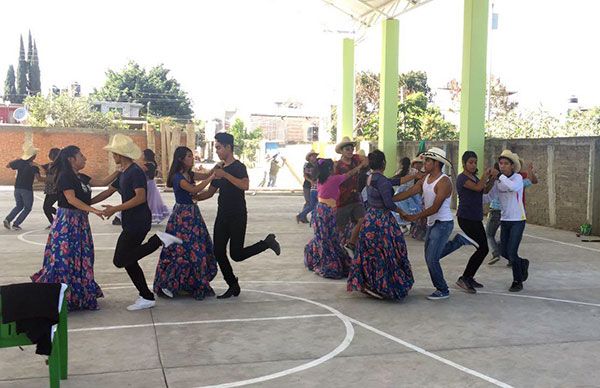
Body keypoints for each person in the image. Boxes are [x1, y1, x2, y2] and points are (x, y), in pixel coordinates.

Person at [92, 134, 183, 311]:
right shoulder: (124, 173)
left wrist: (115, 209)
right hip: (131, 221)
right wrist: (87, 204)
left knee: (120, 260)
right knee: (129, 261)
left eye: (114, 153)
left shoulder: (135, 172)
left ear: (119, 154)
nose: (112, 156)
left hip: (138, 221)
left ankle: (158, 240)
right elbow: (108, 191)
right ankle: (146, 296)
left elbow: (140, 198)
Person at [31, 145, 119, 311]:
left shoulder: (82, 177)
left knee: (81, 257)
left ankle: (79, 295)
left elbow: (102, 183)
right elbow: (71, 199)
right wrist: (93, 210)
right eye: (81, 155)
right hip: (67, 223)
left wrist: (119, 171)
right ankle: (62, 296)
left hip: (80, 222)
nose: (84, 158)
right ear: (71, 159)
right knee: (65, 258)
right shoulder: (65, 176)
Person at [196, 132, 281, 299]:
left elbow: (245, 185)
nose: (218, 151)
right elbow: (210, 193)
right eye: (216, 148)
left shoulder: (238, 167)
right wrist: (193, 198)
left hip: (238, 215)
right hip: (222, 215)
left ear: (228, 147)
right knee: (218, 251)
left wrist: (226, 175)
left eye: (219, 147)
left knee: (236, 254)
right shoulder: (219, 169)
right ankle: (232, 285)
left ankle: (267, 243)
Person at [153, 146, 218, 299]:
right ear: (181, 159)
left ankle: (191, 284)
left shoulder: (189, 174)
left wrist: (217, 168)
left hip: (193, 215)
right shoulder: (177, 177)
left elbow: (207, 175)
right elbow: (194, 190)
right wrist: (211, 178)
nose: (192, 158)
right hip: (182, 218)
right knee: (180, 251)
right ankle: (170, 284)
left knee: (195, 250)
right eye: (189, 156)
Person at [347, 150, 414, 300]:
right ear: (384, 163)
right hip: (382, 221)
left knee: (370, 252)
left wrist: (414, 176)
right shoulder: (381, 180)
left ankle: (369, 283)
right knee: (387, 253)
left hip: (369, 218)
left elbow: (393, 181)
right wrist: (402, 212)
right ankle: (382, 285)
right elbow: (389, 203)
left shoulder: (370, 177)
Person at [394, 147, 454, 300]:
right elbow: (409, 192)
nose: (424, 163)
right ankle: (459, 242)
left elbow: (435, 207)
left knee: (431, 259)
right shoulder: (424, 179)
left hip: (443, 223)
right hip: (432, 223)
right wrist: (389, 199)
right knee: (430, 256)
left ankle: (443, 289)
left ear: (436, 163)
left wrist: (414, 217)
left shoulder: (444, 181)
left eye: (428, 161)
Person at [435, 151, 495, 293]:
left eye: (475, 162)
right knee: (483, 248)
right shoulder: (462, 178)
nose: (473, 165)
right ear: (464, 163)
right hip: (466, 218)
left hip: (475, 217)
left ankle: (468, 277)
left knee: (483, 248)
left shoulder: (474, 177)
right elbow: (479, 187)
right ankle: (465, 277)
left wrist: (492, 179)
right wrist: (485, 176)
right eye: (470, 162)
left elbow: (484, 190)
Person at [304, 158, 366, 279]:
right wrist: (360, 166)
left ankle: (319, 260)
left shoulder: (320, 179)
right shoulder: (334, 179)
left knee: (323, 238)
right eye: (333, 167)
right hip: (327, 212)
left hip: (319, 211)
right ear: (329, 169)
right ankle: (328, 264)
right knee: (330, 238)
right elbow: (349, 174)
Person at [488, 150, 529, 292]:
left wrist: (499, 176)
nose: (502, 166)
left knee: (511, 252)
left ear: (512, 166)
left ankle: (517, 281)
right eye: (501, 163)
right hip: (505, 220)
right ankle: (522, 263)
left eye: (506, 164)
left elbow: (514, 187)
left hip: (518, 220)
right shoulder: (498, 181)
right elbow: (489, 196)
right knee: (504, 251)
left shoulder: (517, 178)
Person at [333, 137, 367, 253]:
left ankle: (351, 244)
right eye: (347, 149)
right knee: (340, 228)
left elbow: (366, 160)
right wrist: (359, 167)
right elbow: (340, 179)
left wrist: (362, 162)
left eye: (352, 149)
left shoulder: (356, 159)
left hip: (355, 198)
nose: (350, 151)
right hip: (342, 200)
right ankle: (338, 249)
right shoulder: (337, 166)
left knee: (362, 220)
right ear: (342, 151)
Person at [3, 144, 42, 231]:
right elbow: (39, 178)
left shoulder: (19, 162)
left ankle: (8, 219)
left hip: (17, 188)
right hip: (27, 189)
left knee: (19, 205)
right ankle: (16, 224)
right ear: (33, 156)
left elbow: (7, 166)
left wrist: (16, 160)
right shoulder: (34, 166)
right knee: (27, 207)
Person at [139, 149, 170, 225]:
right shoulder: (152, 164)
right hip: (150, 184)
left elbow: (140, 170)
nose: (141, 156)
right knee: (151, 200)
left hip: (148, 184)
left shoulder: (149, 165)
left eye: (143, 154)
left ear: (146, 155)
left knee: (149, 201)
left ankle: (148, 216)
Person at [40, 148, 61, 228]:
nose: (50, 156)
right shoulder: (49, 164)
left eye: (52, 155)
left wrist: (43, 177)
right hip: (49, 190)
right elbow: (42, 168)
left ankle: (57, 221)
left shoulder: (60, 166)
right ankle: (54, 222)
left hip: (56, 190)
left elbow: (53, 177)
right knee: (46, 208)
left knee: (47, 207)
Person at [296, 150, 319, 224]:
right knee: (309, 202)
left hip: (315, 186)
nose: (314, 157)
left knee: (313, 203)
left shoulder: (318, 164)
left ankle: (303, 216)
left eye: (315, 156)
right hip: (307, 186)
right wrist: (311, 181)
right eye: (312, 156)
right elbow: (305, 175)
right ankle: (302, 216)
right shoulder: (307, 165)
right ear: (309, 157)